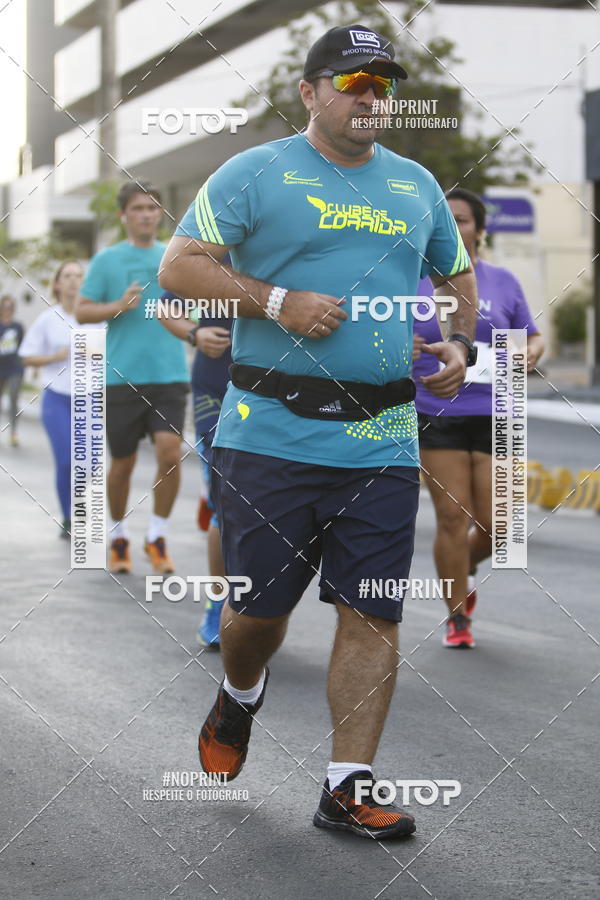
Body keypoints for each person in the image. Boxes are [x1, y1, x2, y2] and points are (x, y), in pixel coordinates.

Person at [160, 23, 478, 840]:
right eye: (352, 83)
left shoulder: (416, 185)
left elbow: (456, 276)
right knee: (258, 618)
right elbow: (181, 265)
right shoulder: (255, 171)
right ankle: (239, 695)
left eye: (382, 86)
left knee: (374, 611)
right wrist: (275, 302)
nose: (370, 98)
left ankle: (347, 786)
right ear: (310, 93)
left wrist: (458, 341)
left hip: (383, 437)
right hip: (269, 432)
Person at [413, 187, 544, 648]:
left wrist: (529, 352)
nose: (455, 225)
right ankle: (457, 617)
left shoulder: (503, 281)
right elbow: (384, 336)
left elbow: (533, 335)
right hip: (436, 410)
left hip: (500, 409)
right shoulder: (413, 278)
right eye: (445, 218)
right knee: (452, 516)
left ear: (481, 230)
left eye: (464, 219)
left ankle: (459, 570)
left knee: (502, 526)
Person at [74, 181, 189, 575]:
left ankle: (157, 537)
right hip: (120, 378)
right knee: (121, 464)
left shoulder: (175, 257)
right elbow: (82, 311)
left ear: (161, 214)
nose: (146, 214)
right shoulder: (107, 261)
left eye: (153, 208)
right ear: (124, 214)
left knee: (170, 455)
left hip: (170, 374)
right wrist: (116, 306)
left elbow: (196, 304)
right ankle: (118, 535)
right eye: (138, 208)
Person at [158, 287, 232, 648]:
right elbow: (166, 307)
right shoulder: (212, 251)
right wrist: (195, 333)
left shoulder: (289, 244)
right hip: (215, 394)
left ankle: (260, 607)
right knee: (226, 504)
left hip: (277, 396)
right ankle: (217, 603)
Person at [18, 261, 85, 538]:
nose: (73, 281)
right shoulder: (48, 319)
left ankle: (82, 512)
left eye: (78, 276)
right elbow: (26, 356)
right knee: (66, 460)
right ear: (57, 284)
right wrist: (55, 357)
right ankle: (69, 517)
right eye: (67, 276)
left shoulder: (95, 318)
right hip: (56, 398)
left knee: (90, 464)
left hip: (89, 400)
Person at [0, 294, 24, 447]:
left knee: (13, 399)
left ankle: (13, 432)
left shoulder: (18, 326)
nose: (8, 310)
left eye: (11, 307)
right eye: (5, 306)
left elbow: (24, 347)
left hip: (15, 368)